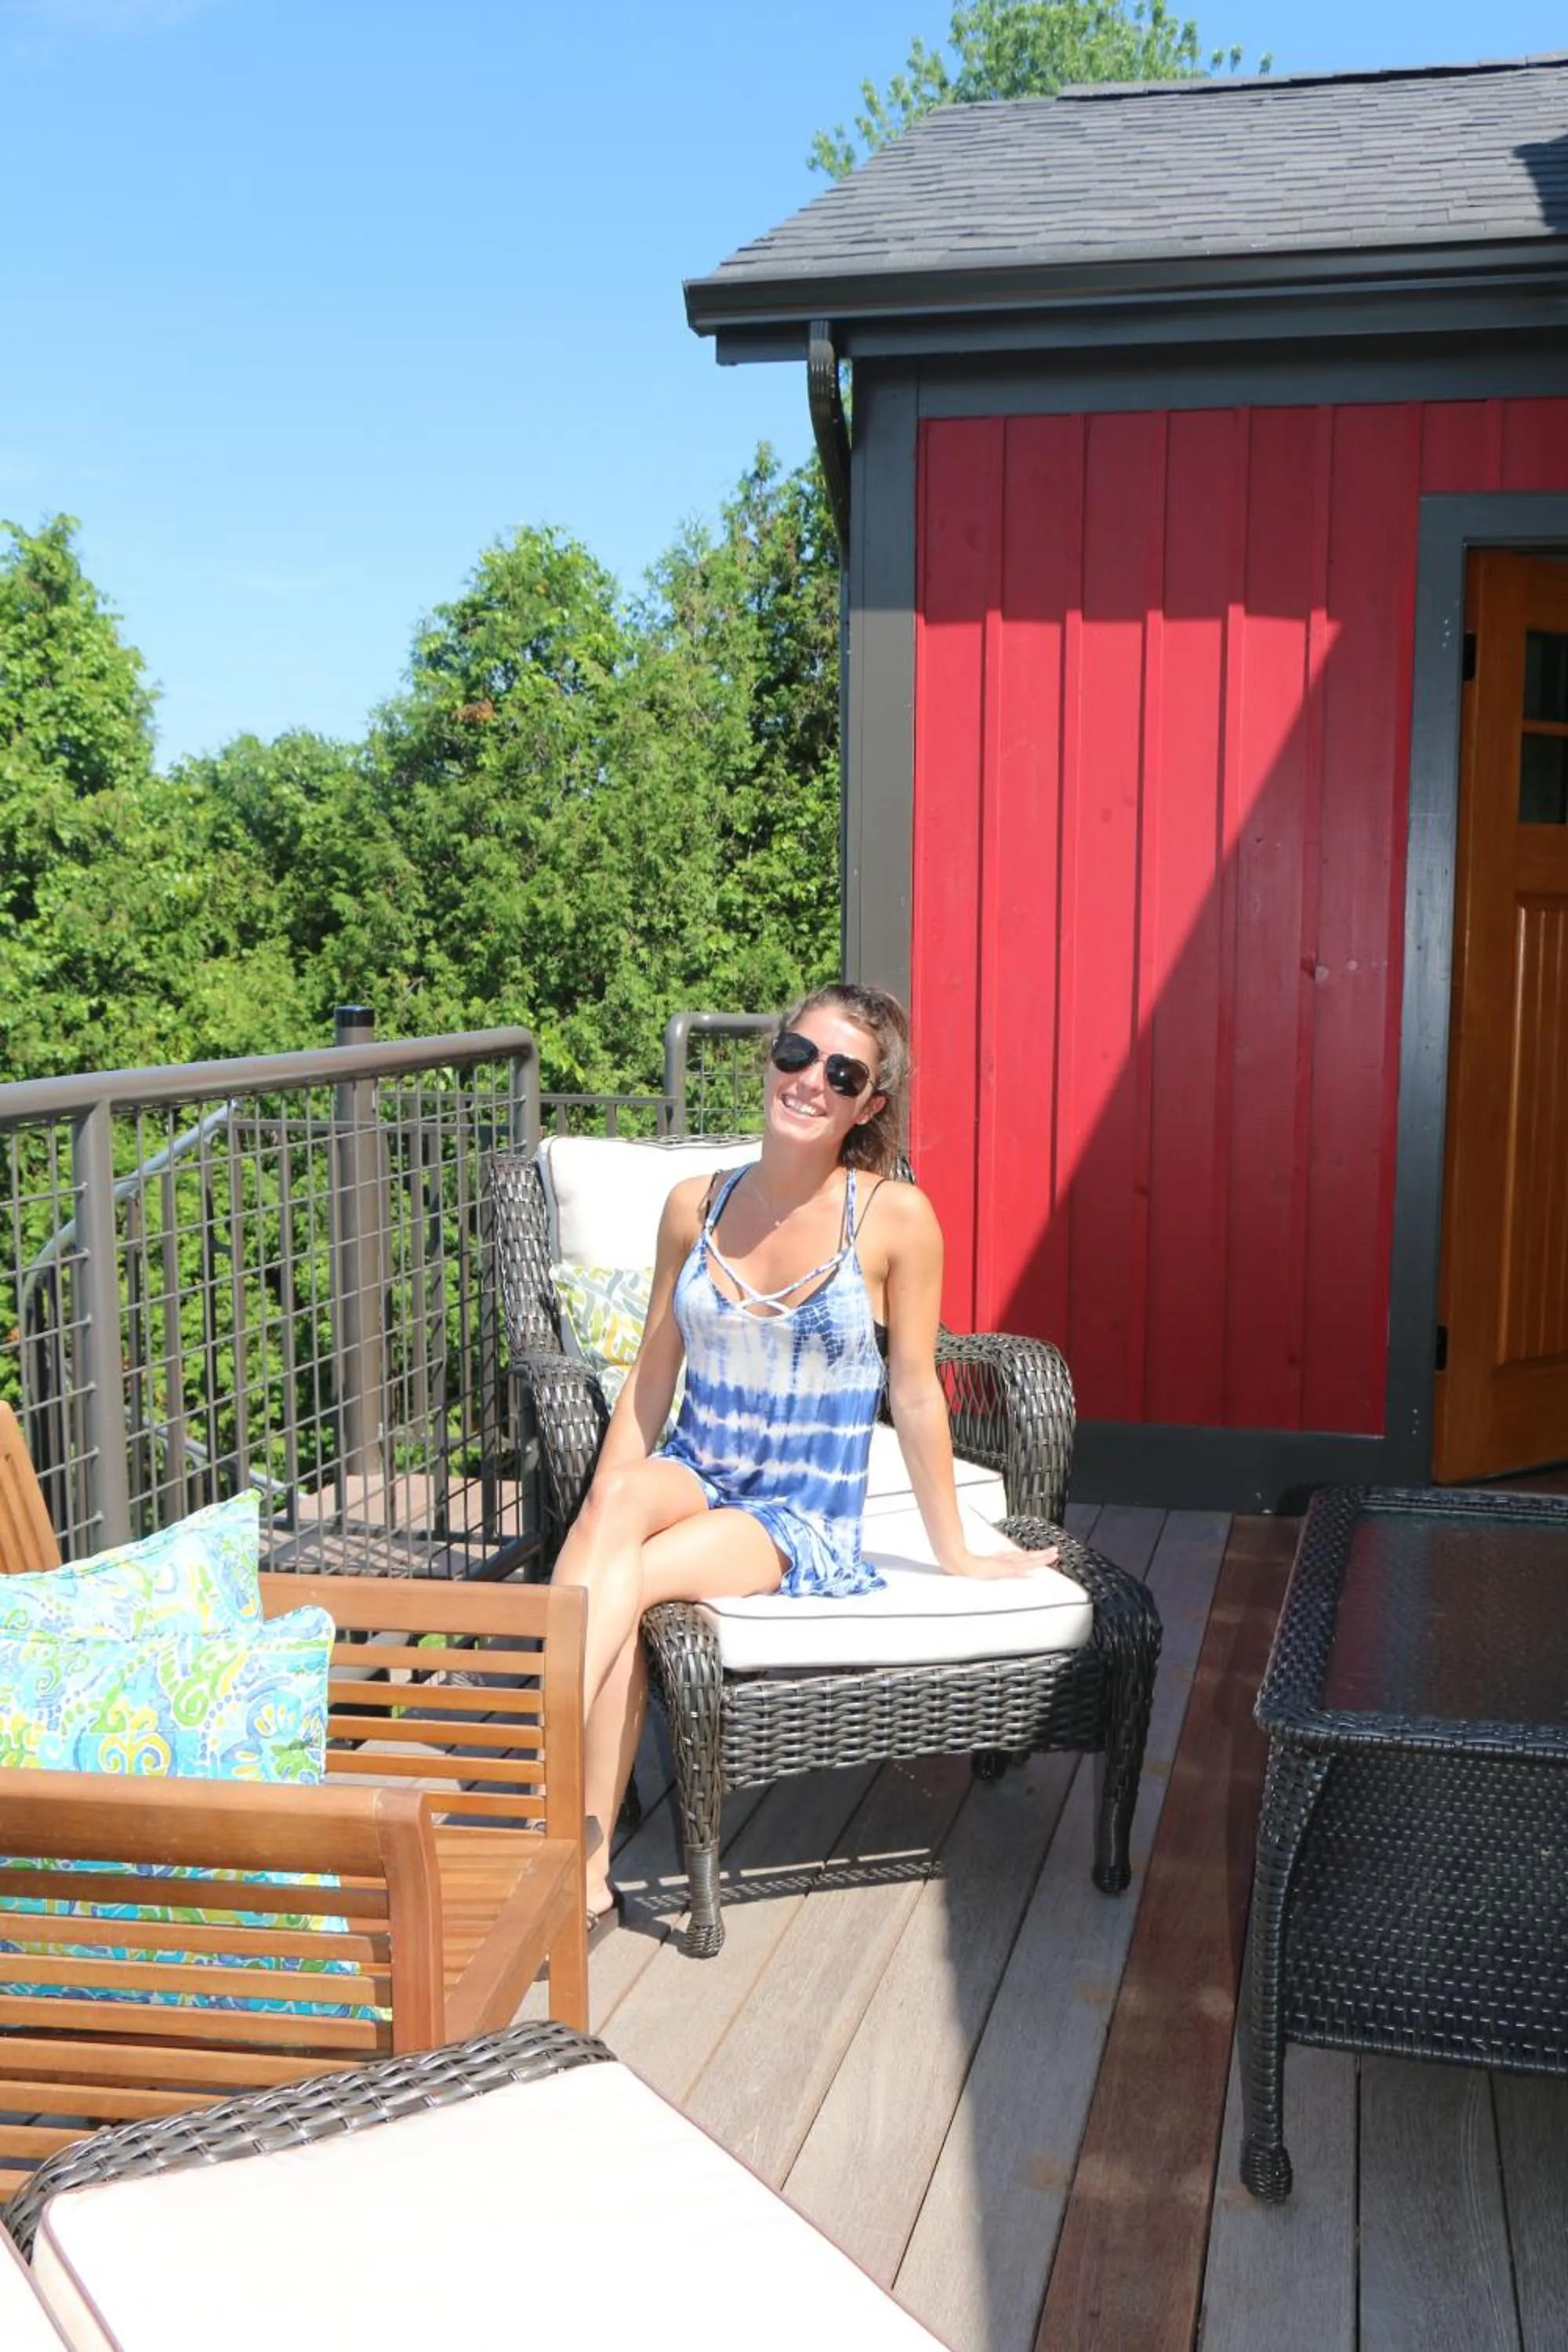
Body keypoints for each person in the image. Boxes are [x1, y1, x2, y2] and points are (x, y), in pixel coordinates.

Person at [553, 981, 1052, 1930]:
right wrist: (605, 1495)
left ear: (869, 1104)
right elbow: (652, 1377)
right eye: (795, 1053)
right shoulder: (690, 1206)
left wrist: (956, 1549)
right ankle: (566, 1852)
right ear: (770, 1058)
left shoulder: (893, 1216)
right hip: (698, 1464)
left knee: (640, 1575)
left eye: (841, 1072)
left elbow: (913, 1390)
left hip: (792, 1511)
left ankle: (556, 1841)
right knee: (616, 1517)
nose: (807, 1081)